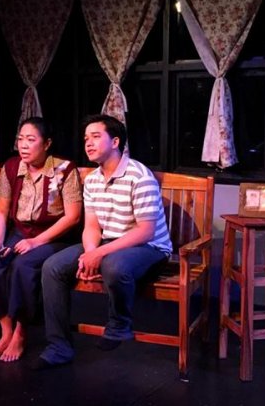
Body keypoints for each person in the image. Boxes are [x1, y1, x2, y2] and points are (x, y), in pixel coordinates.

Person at [32, 114, 172, 369]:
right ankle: (58, 346)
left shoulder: (139, 176)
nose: (88, 143)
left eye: (96, 137)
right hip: (109, 242)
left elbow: (146, 231)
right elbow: (92, 226)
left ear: (115, 142)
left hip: (149, 248)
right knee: (53, 267)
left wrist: (99, 254)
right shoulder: (93, 180)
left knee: (114, 266)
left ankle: (119, 324)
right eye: (86, 138)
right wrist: (90, 252)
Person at [0, 117, 83, 362]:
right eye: (20, 139)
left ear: (47, 143)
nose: (23, 145)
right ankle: (5, 333)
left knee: (23, 265)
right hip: (20, 233)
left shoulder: (65, 169)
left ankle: (20, 333)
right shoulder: (11, 167)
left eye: (31, 139)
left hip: (54, 236)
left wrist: (36, 242)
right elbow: (2, 211)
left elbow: (72, 217)